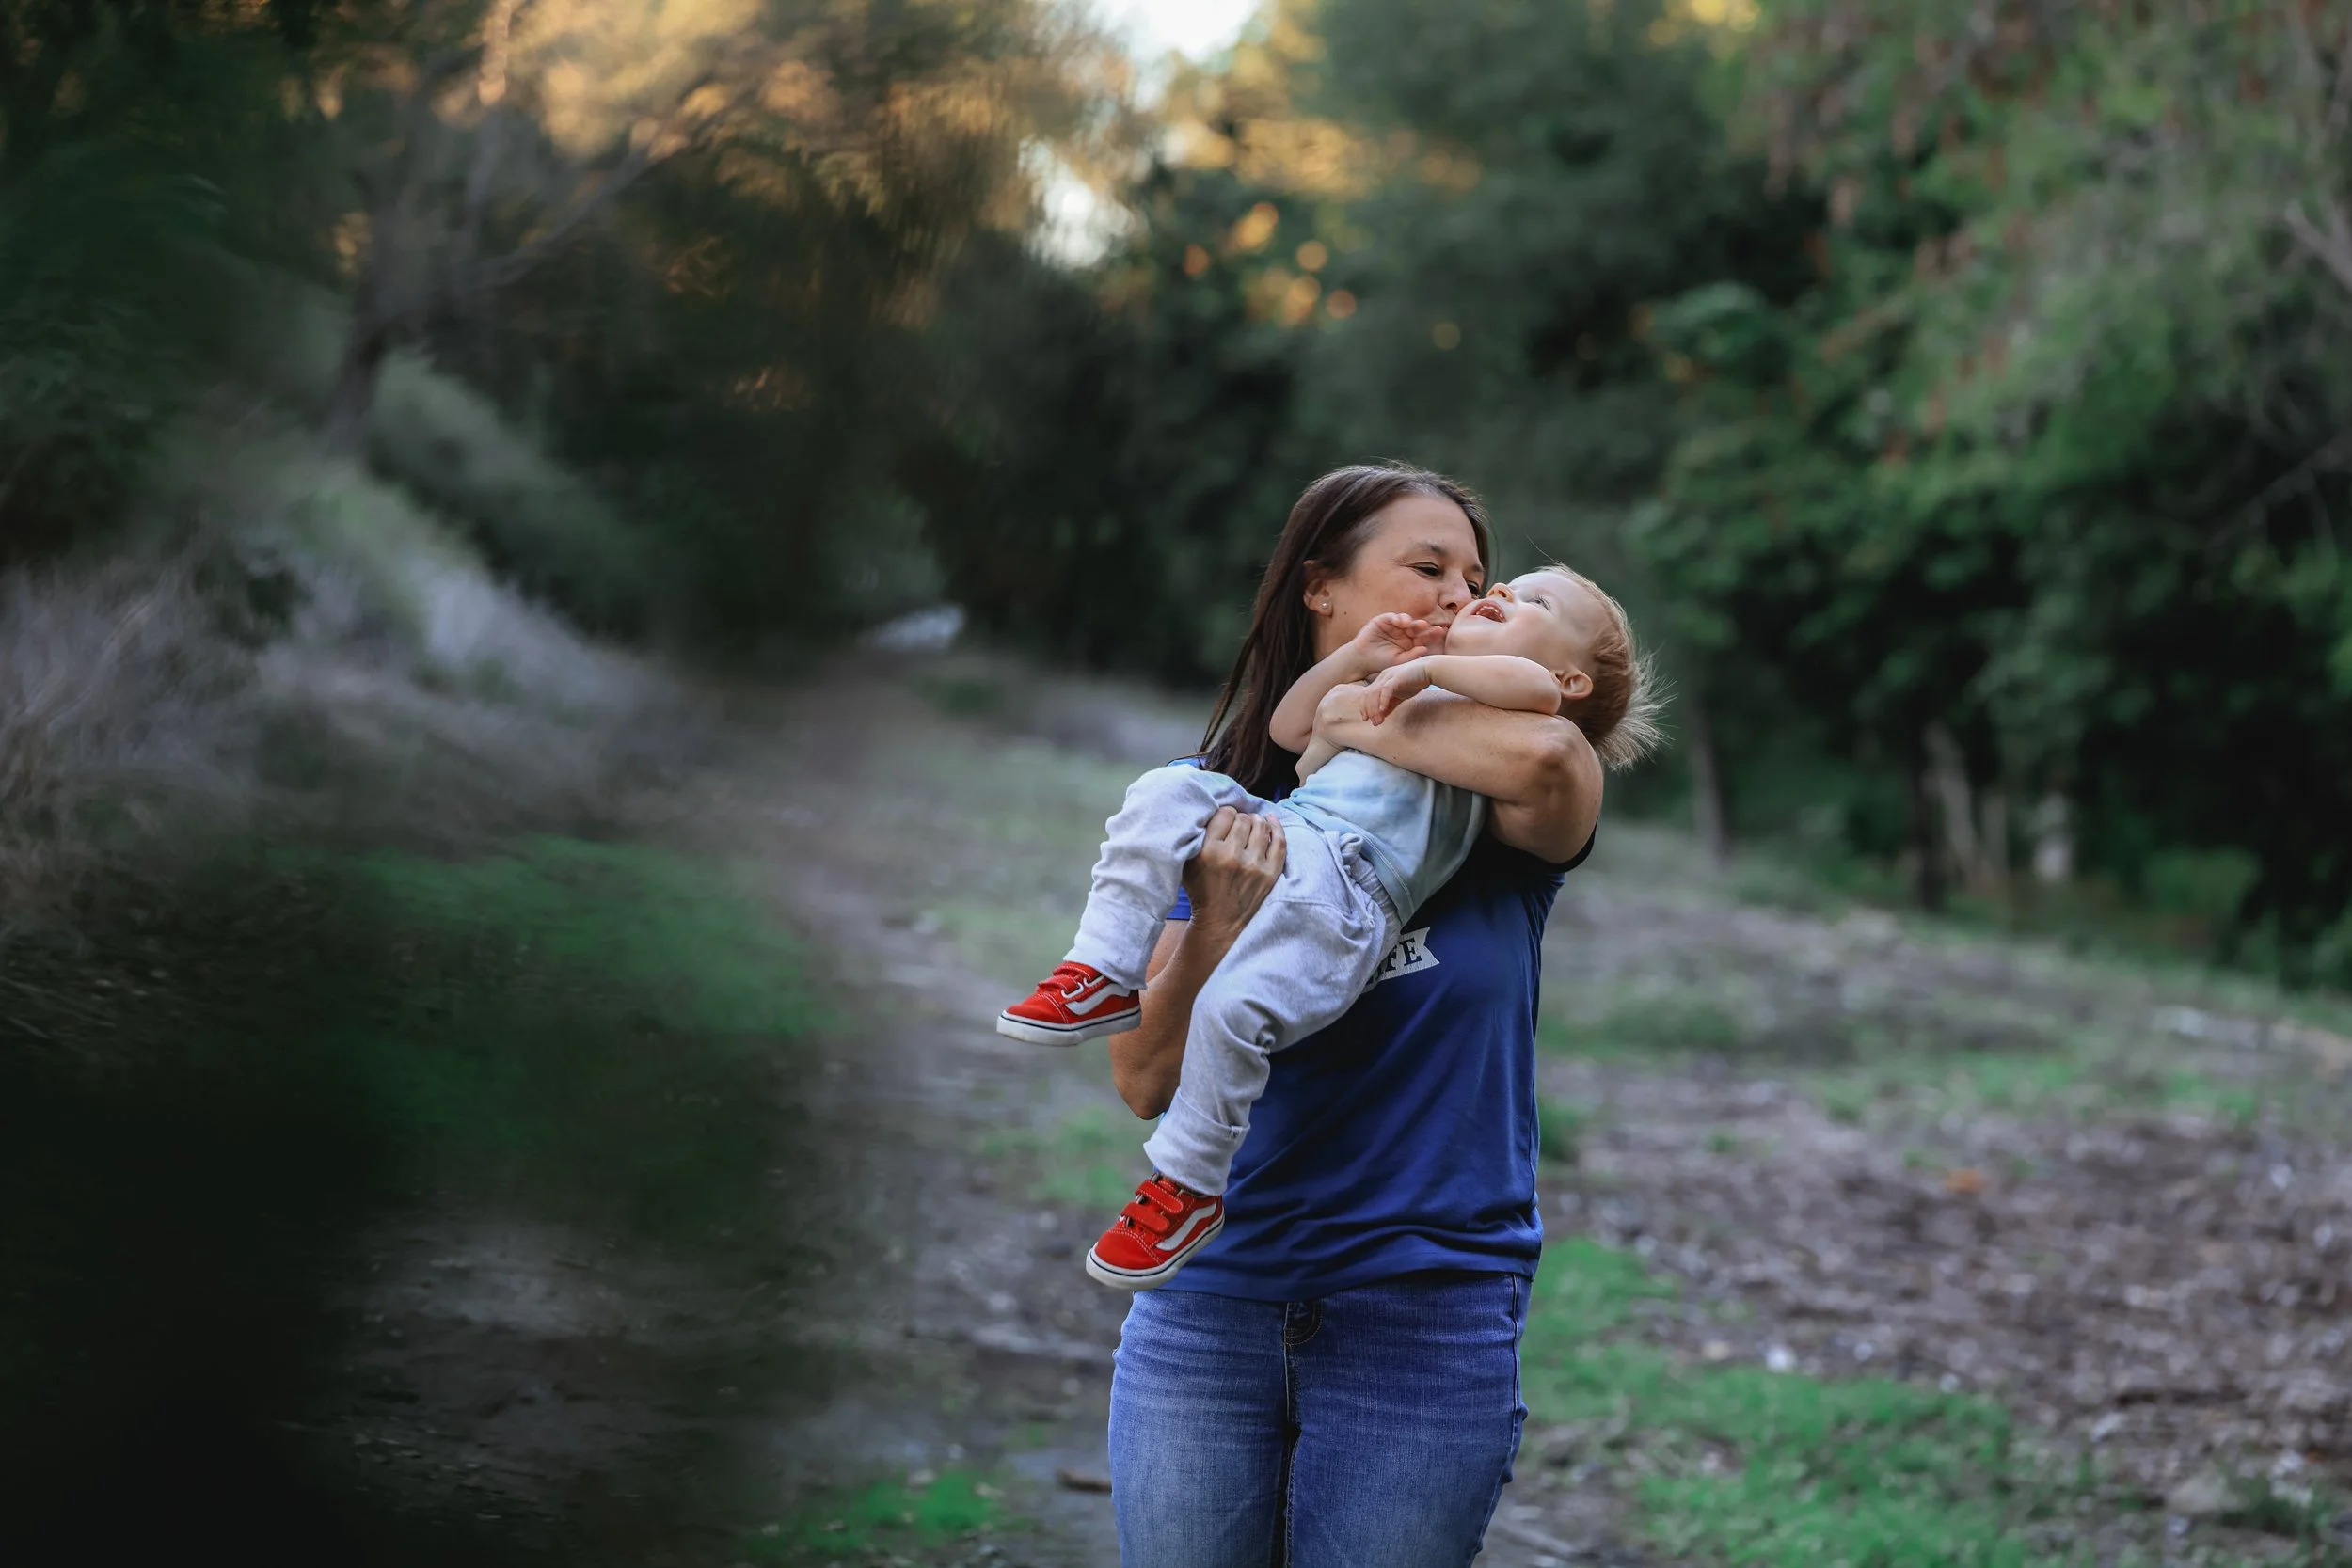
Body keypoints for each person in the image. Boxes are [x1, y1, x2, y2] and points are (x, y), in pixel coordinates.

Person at [1091, 463, 1637, 1566]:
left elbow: (1548, 749)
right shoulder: (1229, 808)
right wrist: (1213, 926)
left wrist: (1347, 719)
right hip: (1212, 1303)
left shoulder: (1506, 815)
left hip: (1422, 1318)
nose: (1458, 594)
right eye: (1427, 569)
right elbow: (1145, 1078)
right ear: (1321, 591)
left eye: (1479, 579)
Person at [997, 562, 1654, 1291]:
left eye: (1529, 599)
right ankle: (1101, 969)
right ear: (1323, 588)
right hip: (1287, 829)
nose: (1488, 592)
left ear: (1571, 682)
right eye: (1454, 576)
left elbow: (1531, 701)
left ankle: (1185, 1183)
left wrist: (1409, 681)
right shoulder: (1405, 681)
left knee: (1232, 1009)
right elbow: (1289, 727)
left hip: (1349, 887)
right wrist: (1362, 661)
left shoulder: (1519, 714)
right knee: (1162, 790)